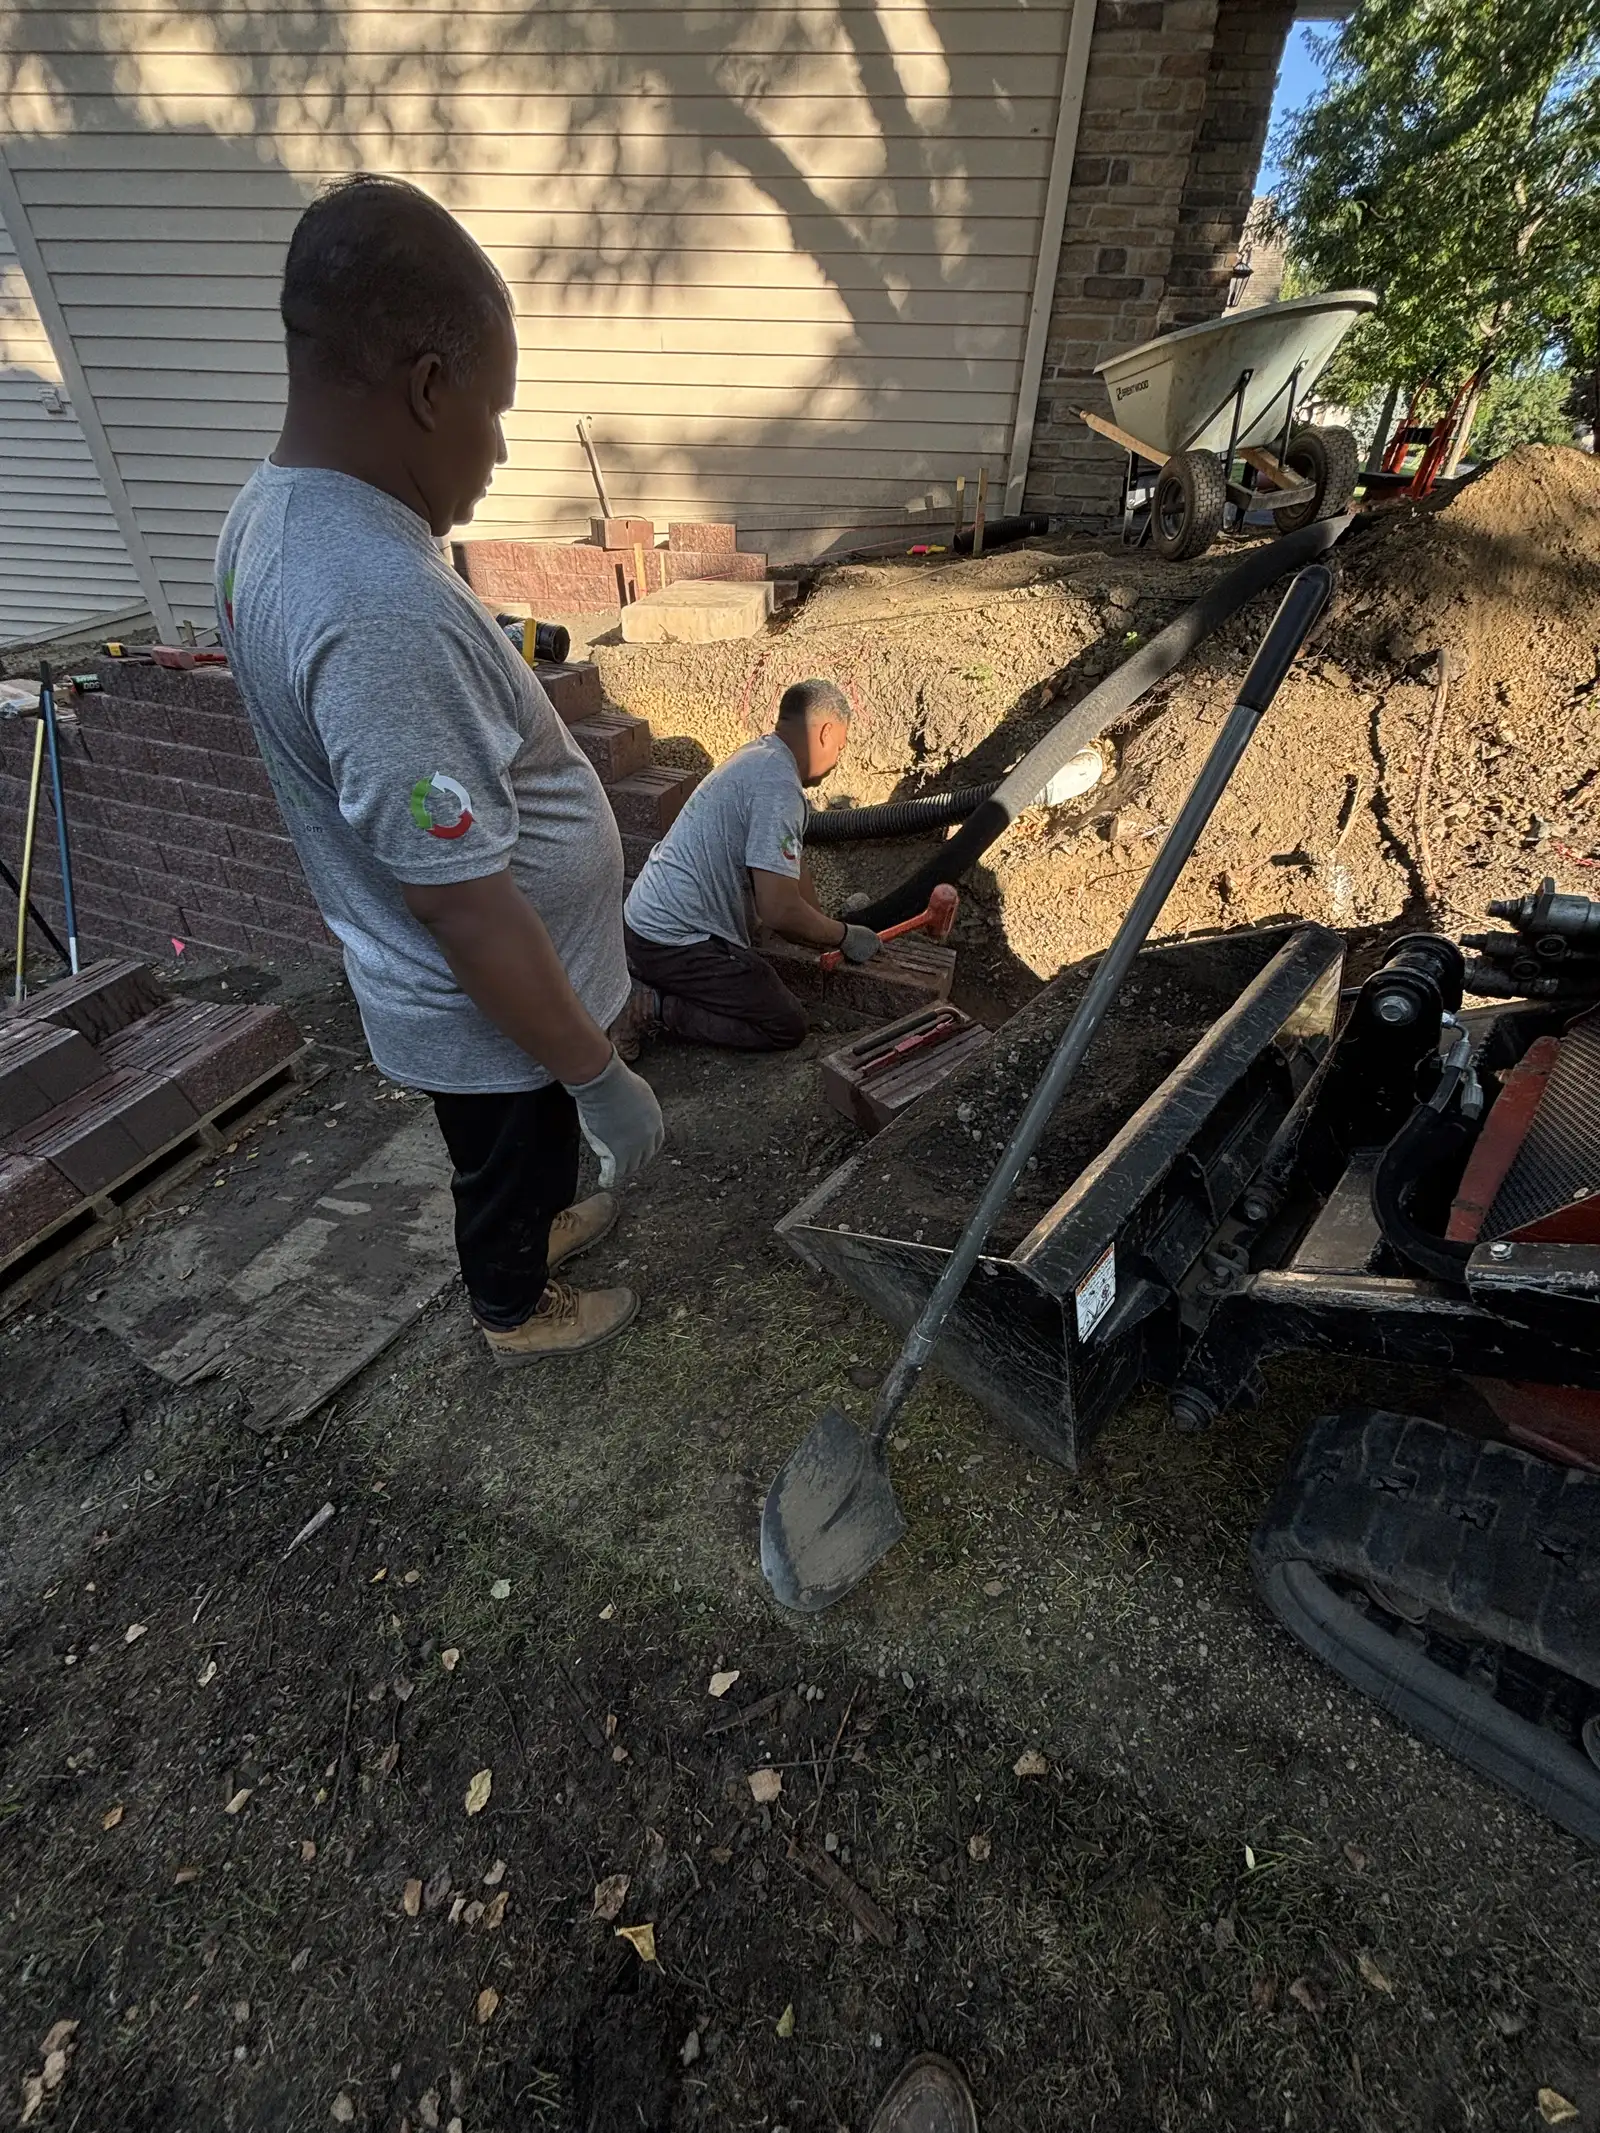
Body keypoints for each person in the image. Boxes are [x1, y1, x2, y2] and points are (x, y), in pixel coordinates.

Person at [215, 174, 663, 1363]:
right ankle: (514, 1309)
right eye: (492, 409)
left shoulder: (273, 513)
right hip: (485, 1017)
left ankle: (538, 1228)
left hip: (497, 1010)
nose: (500, 448)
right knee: (505, 1162)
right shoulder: (372, 605)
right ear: (426, 388)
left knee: (525, 1156)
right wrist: (596, 1072)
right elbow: (461, 903)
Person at [619, 679, 880, 1051]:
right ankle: (654, 1007)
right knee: (784, 1025)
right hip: (671, 941)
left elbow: (792, 867)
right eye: (840, 746)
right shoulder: (778, 787)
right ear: (825, 732)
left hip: (649, 921)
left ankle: (656, 980)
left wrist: (821, 934)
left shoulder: (763, 757)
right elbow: (778, 911)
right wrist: (844, 935)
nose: (838, 760)